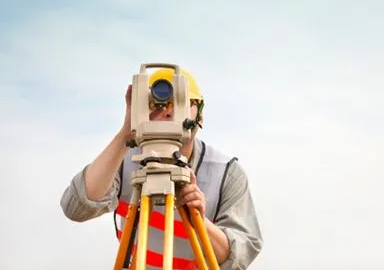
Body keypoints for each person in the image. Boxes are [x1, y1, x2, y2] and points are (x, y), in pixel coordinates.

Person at [60, 66, 263, 270]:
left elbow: (239, 258)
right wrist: (126, 135)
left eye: (180, 102)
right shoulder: (124, 160)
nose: (167, 110)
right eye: (157, 103)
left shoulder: (225, 172)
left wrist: (199, 220)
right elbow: (76, 209)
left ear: (200, 115)